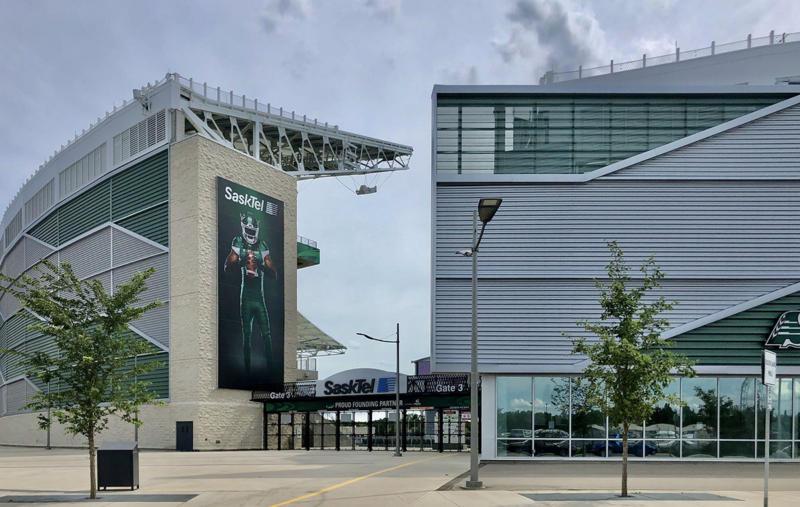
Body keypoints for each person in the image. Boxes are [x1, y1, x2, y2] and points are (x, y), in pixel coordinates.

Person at [224, 212, 277, 373]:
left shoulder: (262, 246)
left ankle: (270, 371)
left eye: (253, 230)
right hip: (246, 296)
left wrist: (260, 266)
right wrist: (242, 262)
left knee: (267, 334)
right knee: (247, 335)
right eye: (249, 229)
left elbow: (274, 274)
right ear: (243, 228)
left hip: (259, 297)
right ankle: (247, 371)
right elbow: (227, 267)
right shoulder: (238, 242)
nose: (251, 232)